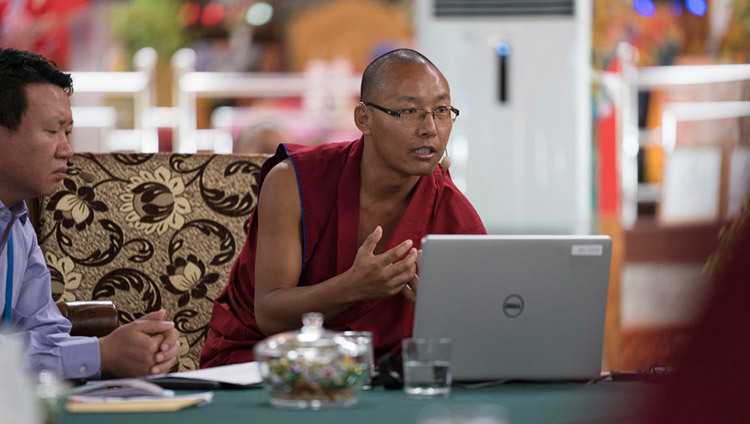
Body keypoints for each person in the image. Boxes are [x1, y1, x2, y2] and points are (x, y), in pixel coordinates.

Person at [201, 48, 486, 368]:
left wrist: (442, 317)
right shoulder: (294, 181)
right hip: (272, 364)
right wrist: (352, 287)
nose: (430, 128)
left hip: (385, 375)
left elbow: (481, 333)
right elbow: (269, 315)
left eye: (442, 110)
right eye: (409, 111)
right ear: (364, 118)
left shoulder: (455, 214)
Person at [0, 48, 180, 379]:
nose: (67, 150)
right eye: (53, 132)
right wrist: (100, 354)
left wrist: (130, 348)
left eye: (68, 133)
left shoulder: (16, 221)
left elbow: (45, 335)